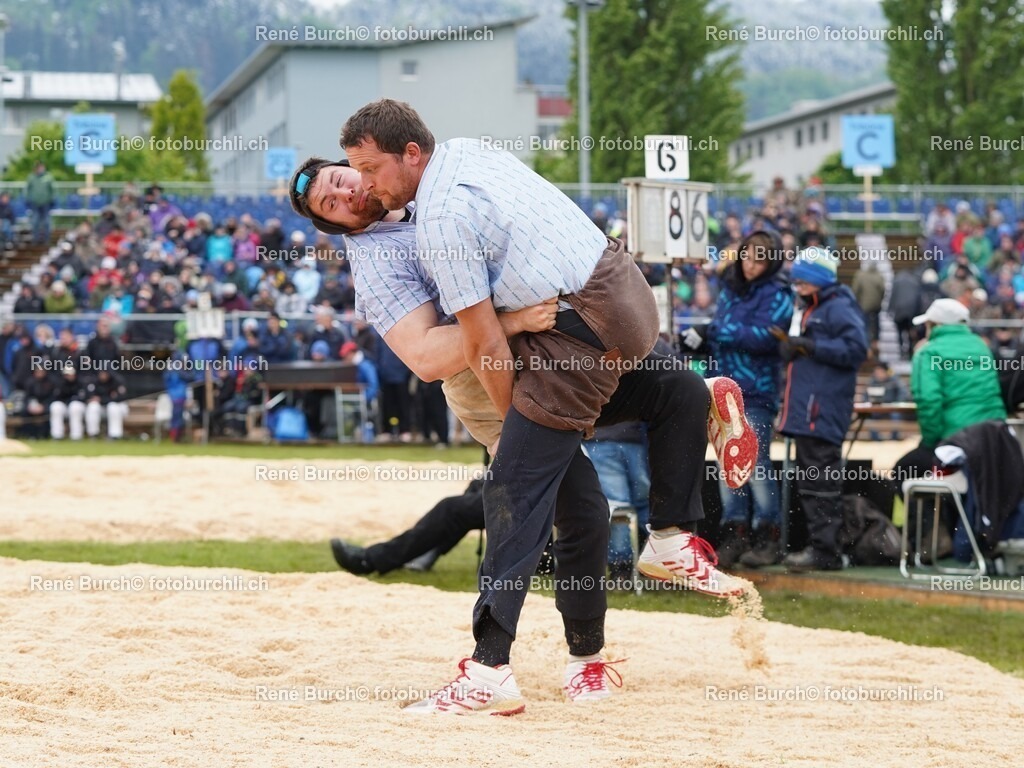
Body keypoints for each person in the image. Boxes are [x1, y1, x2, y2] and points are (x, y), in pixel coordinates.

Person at [311, 100, 754, 712]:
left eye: (347, 176)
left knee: (676, 388)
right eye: (331, 204)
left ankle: (662, 549)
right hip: (491, 376)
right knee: (568, 507)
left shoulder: (424, 190)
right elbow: (430, 358)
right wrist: (512, 323)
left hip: (552, 346)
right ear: (332, 226)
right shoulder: (382, 257)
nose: (350, 190)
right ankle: (507, 664)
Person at [683, 230, 793, 569]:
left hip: (756, 391)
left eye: (758, 260)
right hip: (722, 388)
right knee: (727, 463)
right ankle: (735, 532)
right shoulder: (731, 288)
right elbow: (726, 327)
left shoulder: (779, 294)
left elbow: (766, 337)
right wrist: (703, 340)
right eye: (747, 257)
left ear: (770, 263)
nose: (750, 265)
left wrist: (712, 332)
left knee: (755, 464)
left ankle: (768, 534)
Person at [777, 246, 868, 571]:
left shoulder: (838, 307)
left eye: (804, 281)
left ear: (820, 280)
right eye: (796, 280)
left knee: (820, 483)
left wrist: (813, 346)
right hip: (808, 411)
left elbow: (857, 349)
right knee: (812, 481)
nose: (798, 286)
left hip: (821, 411)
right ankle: (822, 547)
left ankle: (825, 551)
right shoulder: (812, 307)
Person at [332, 479, 485, 575]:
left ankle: (369, 560)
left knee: (450, 509)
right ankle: (428, 550)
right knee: (476, 485)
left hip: (508, 496)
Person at [910, 299, 1006, 450]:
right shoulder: (981, 346)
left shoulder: (928, 352)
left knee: (904, 468)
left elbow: (928, 400)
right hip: (995, 435)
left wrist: (930, 442)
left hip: (956, 436)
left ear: (935, 324)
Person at [26, 162, 55, 245]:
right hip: (35, 204)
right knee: (35, 222)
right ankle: (35, 239)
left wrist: (52, 200)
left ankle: (47, 240)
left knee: (46, 222)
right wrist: (28, 199)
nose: (41, 169)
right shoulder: (31, 177)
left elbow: (53, 190)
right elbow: (27, 189)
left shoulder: (48, 177)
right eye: (39, 168)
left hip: (46, 204)